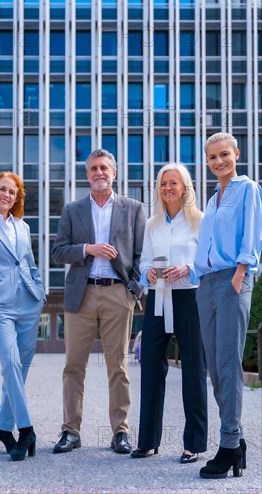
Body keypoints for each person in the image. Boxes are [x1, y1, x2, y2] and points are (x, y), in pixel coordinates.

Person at [51, 149, 145, 454]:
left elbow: (142, 255)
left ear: (114, 173)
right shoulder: (73, 209)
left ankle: (121, 431)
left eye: (104, 167)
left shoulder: (133, 209)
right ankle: (71, 431)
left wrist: (132, 290)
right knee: (73, 366)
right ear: (87, 174)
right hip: (81, 294)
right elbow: (58, 251)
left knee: (118, 365)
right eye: (93, 168)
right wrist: (88, 248)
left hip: (118, 293)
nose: (99, 172)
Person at [194, 132, 262, 479]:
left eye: (224, 155)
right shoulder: (211, 198)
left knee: (228, 363)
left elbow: (251, 234)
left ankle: (229, 445)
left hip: (231, 281)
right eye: (212, 158)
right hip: (205, 284)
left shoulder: (247, 188)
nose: (219, 162)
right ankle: (234, 439)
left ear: (237, 153)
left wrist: (239, 273)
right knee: (215, 369)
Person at [130, 164, 208, 463]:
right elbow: (145, 261)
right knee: (150, 366)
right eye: (164, 184)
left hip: (190, 298)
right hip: (157, 299)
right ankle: (148, 440)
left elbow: (207, 261)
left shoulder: (200, 221)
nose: (168, 188)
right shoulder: (151, 225)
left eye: (174, 183)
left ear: (185, 187)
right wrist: (148, 273)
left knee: (193, 368)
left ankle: (194, 444)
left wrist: (188, 269)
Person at [0, 172, 45, 462]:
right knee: (10, 363)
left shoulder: (23, 227)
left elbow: (30, 263)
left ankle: (2, 428)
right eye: (2, 189)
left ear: (17, 198)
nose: (7, 195)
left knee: (22, 367)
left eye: (12, 192)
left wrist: (39, 293)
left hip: (28, 302)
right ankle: (26, 429)